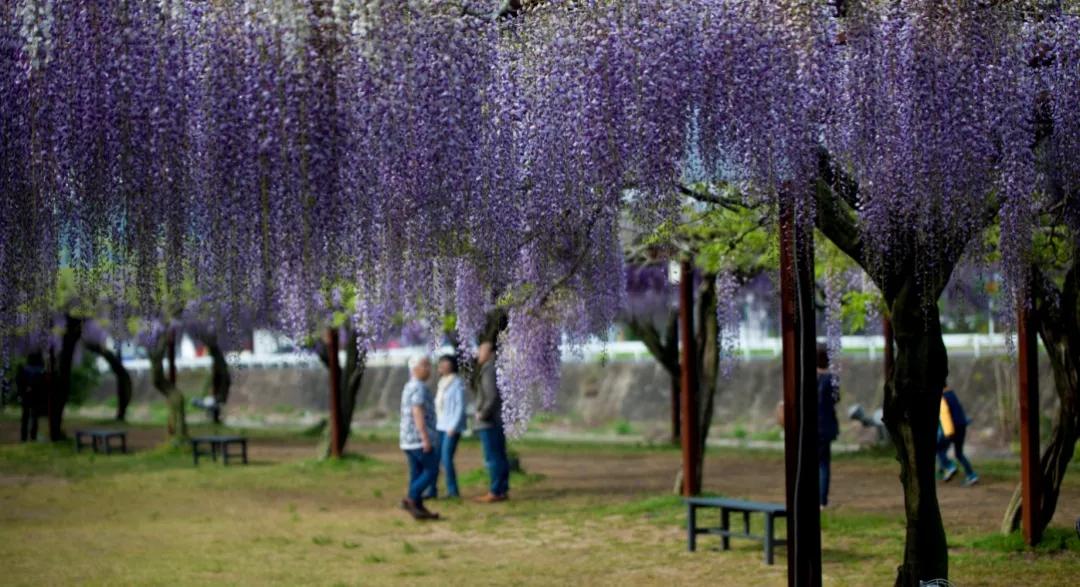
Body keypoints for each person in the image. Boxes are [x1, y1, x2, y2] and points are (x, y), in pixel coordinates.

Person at [399, 355, 439, 520]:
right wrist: (425, 437)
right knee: (431, 471)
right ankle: (411, 498)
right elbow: (417, 411)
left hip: (407, 439)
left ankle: (418, 507)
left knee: (417, 472)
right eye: (425, 366)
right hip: (418, 439)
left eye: (429, 365)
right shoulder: (418, 387)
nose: (428, 369)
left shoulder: (409, 386)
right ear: (414, 368)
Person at [425, 354, 467, 500]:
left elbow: (460, 406)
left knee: (446, 458)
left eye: (445, 363)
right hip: (440, 426)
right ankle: (432, 490)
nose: (441, 365)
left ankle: (453, 491)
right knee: (436, 458)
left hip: (451, 428)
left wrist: (453, 426)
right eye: (440, 362)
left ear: (452, 365)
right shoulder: (442, 382)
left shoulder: (457, 382)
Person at [473, 341, 510, 503]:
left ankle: (495, 491)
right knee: (500, 456)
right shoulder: (494, 369)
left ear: (490, 353)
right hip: (496, 421)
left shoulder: (488, 370)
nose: (477, 354)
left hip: (489, 422)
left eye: (481, 350)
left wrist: (482, 414)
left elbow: (492, 396)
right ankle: (501, 489)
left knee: (493, 458)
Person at [938, 383, 978, 486]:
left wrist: (948, 432)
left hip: (952, 428)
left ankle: (949, 467)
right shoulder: (952, 394)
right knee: (959, 453)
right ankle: (971, 475)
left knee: (938, 448)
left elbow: (945, 415)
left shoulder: (943, 398)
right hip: (962, 426)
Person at [817, 345, 840, 509]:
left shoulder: (808, 376)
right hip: (826, 426)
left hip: (811, 426)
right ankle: (822, 501)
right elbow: (836, 399)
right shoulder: (832, 379)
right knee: (824, 464)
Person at [16, 352, 46, 443]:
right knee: (33, 416)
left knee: (26, 416)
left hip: (27, 396)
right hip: (35, 396)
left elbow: (19, 382)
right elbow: (41, 384)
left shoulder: (25, 370)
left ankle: (24, 437)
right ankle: (32, 436)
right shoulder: (39, 370)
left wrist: (22, 392)